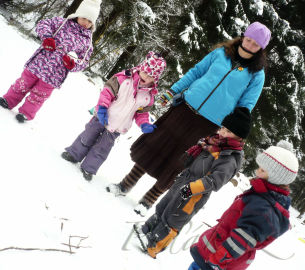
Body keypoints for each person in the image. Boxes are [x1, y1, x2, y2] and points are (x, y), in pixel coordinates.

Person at [106, 22, 271, 216]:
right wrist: (173, 90)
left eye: (255, 44)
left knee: (181, 161)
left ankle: (149, 199)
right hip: (185, 108)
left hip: (210, 124)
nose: (249, 45)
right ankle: (126, 184)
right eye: (249, 40)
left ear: (262, 48)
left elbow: (246, 105)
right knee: (156, 145)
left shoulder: (256, 74)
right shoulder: (221, 53)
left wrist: (229, 129)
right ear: (243, 36)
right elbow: (195, 72)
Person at [133, 107, 251, 258]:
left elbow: (215, 181)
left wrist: (190, 189)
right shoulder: (213, 143)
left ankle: (154, 245)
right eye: (223, 128)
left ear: (239, 137)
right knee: (163, 206)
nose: (222, 132)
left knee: (174, 218)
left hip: (194, 193)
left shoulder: (230, 157)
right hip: (184, 181)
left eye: (228, 131)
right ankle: (147, 230)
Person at [188, 140, 298, 270]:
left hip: (215, 262)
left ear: (276, 177)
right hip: (212, 253)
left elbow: (243, 239)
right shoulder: (262, 196)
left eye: (262, 170)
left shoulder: (263, 206)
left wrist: (218, 260)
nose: (257, 172)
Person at [61, 51, 166, 181]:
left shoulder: (148, 97)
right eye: (145, 72)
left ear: (156, 79)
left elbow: (141, 113)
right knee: (87, 135)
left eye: (151, 76)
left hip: (117, 126)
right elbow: (107, 92)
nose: (147, 76)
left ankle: (89, 167)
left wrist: (144, 123)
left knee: (102, 148)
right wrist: (103, 108)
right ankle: (74, 154)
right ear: (141, 68)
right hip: (102, 116)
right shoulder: (124, 78)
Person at [0, 0, 101, 122]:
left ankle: (26, 113)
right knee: (22, 83)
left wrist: (72, 65)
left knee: (39, 95)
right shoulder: (61, 23)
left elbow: (83, 61)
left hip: (55, 75)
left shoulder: (87, 42)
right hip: (38, 64)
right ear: (78, 15)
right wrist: (47, 37)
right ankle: (9, 100)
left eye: (90, 21)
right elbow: (43, 24)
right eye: (84, 18)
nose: (86, 23)